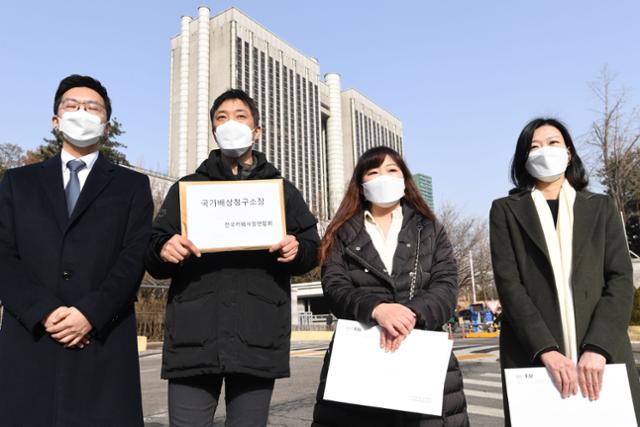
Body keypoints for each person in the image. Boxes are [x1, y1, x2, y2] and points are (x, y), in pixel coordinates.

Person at [145, 88, 320, 427]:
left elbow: (312, 247)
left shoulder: (281, 190)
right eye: (221, 118)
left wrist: (298, 249)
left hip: (257, 335)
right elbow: (152, 251)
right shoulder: (187, 189)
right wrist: (164, 249)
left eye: (240, 116)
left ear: (257, 130)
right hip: (193, 340)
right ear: (213, 131)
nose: (230, 123)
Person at [0, 74, 152, 426]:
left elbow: (133, 258)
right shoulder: (18, 183)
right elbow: (4, 255)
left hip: (102, 342)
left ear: (106, 124)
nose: (82, 112)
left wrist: (90, 314)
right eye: (72, 106)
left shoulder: (131, 186)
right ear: (55, 121)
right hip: (30, 339)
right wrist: (43, 310)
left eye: (92, 107)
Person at [490, 117, 640, 425]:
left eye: (553, 143)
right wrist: (546, 350)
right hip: (534, 358)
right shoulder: (505, 211)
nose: (544, 150)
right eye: (534, 146)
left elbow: (620, 279)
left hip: (602, 359)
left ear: (568, 152)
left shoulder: (601, 207)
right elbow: (510, 285)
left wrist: (598, 347)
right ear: (523, 158)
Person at [312, 146, 469, 427]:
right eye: (373, 172)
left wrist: (409, 315)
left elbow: (446, 285)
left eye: (391, 170)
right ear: (360, 186)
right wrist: (377, 309)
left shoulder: (430, 228)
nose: (383, 177)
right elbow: (334, 286)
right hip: (360, 358)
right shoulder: (341, 232)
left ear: (405, 180)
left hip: (420, 351)